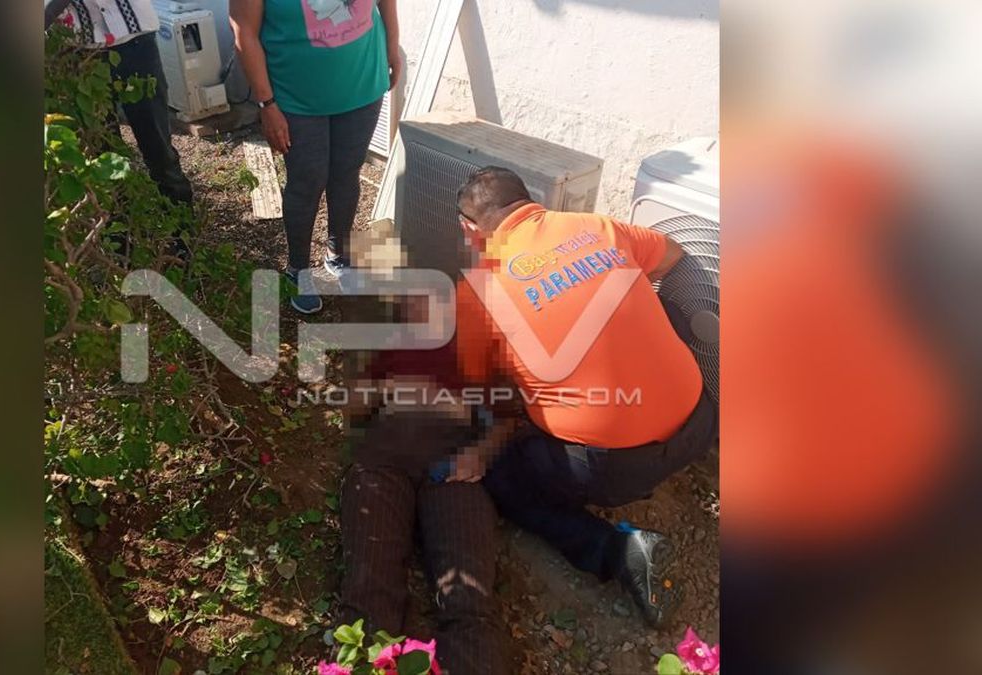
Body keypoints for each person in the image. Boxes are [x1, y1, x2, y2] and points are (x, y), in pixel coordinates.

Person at [447, 166, 718, 628]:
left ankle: (618, 552)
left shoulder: (478, 290)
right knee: (661, 312)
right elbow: (673, 255)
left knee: (504, 477)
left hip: (615, 470)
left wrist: (489, 442)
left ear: (469, 228)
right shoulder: (598, 226)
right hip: (703, 420)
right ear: (529, 201)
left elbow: (485, 391)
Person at [337, 340, 508, 675]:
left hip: (452, 463)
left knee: (469, 598)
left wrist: (480, 453)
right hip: (384, 459)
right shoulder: (388, 342)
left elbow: (508, 420)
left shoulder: (481, 343)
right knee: (368, 588)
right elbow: (350, 409)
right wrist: (388, 388)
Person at [230, 0, 402, 314]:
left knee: (347, 172)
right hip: (295, 96)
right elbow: (245, 33)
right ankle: (298, 269)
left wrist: (392, 47)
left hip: (362, 81)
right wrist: (266, 104)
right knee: (307, 181)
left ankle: (338, 254)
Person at [47, 0, 194, 205]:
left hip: (134, 40)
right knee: (102, 145)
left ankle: (180, 213)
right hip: (79, 50)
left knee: (156, 140)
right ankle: (119, 218)